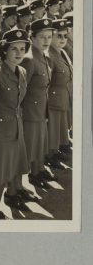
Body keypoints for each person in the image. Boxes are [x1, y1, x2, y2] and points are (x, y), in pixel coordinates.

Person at [0, 29, 30, 219]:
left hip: (15, 130)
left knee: (5, 173)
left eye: (22, 49)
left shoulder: (23, 71)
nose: (19, 53)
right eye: (14, 49)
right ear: (4, 51)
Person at [21, 19, 54, 190]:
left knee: (39, 144)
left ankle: (36, 173)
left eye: (49, 37)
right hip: (30, 112)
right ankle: (14, 189)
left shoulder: (43, 56)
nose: (46, 41)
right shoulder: (29, 59)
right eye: (42, 37)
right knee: (27, 150)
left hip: (41, 110)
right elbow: (21, 90)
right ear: (31, 38)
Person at [47, 19, 73, 167]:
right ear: (51, 36)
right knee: (52, 130)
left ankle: (55, 152)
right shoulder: (49, 56)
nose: (63, 39)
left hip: (62, 97)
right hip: (52, 101)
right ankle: (49, 157)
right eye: (59, 36)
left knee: (59, 129)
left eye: (65, 36)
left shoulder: (62, 52)